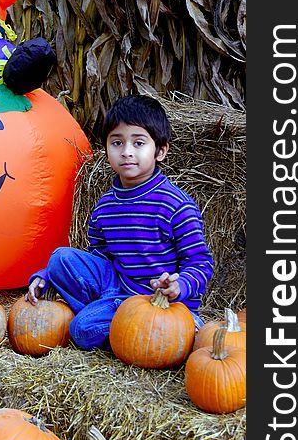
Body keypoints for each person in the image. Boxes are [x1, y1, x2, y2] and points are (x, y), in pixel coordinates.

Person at [26, 94, 213, 350]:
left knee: (84, 329)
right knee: (61, 263)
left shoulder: (175, 205)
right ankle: (124, 325)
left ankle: (157, 332)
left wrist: (179, 285)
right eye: (117, 143)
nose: (126, 152)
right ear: (106, 148)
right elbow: (99, 258)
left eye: (138, 143)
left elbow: (200, 262)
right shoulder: (105, 207)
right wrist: (49, 277)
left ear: (160, 151)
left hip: (166, 305)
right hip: (119, 292)